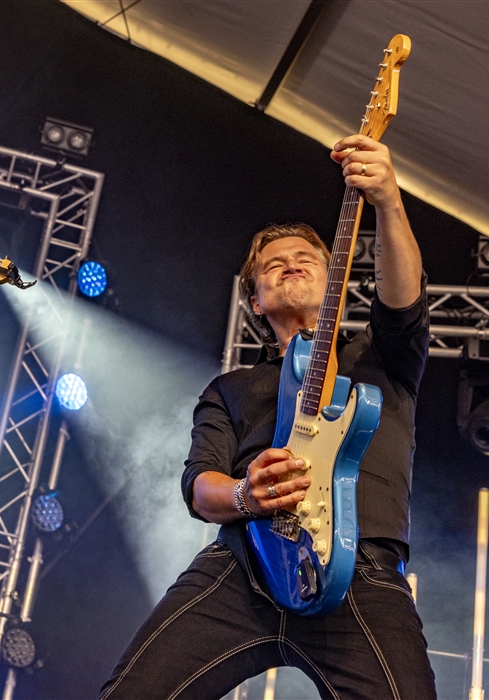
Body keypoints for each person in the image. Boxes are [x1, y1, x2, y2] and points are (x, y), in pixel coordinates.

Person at [100, 134, 436, 699]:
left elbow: (403, 300)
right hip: (243, 566)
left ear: (333, 282)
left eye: (306, 260)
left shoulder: (380, 355)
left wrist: (389, 202)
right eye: (272, 266)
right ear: (254, 300)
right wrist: (243, 496)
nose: (289, 267)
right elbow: (199, 483)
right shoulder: (231, 388)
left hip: (364, 569)